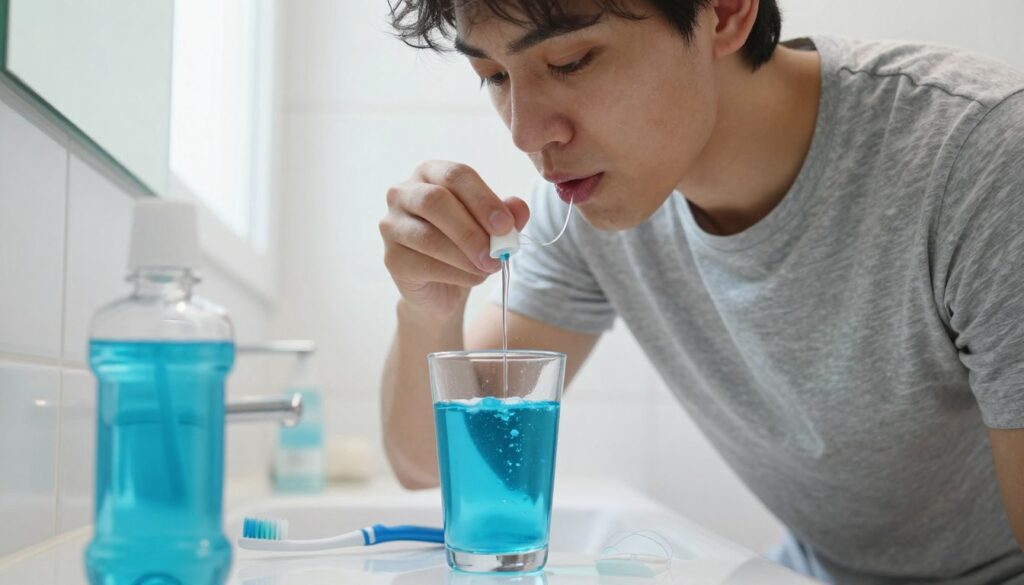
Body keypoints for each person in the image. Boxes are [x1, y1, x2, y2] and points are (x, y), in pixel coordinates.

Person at [376, 0, 1024, 582]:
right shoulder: (587, 205)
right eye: (493, 76)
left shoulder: (983, 159)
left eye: (572, 61)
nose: (525, 134)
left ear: (724, 10)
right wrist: (428, 302)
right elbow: (426, 463)